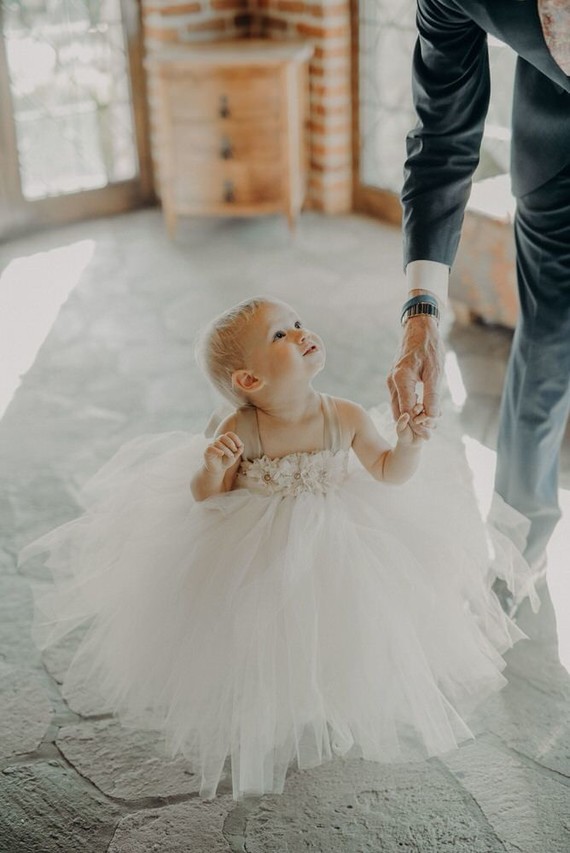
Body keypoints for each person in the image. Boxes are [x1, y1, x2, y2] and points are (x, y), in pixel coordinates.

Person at [19, 297, 538, 801]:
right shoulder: (239, 428)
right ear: (249, 381)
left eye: (297, 322)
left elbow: (388, 473)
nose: (301, 333)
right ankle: (277, 698)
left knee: (340, 622)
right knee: (266, 629)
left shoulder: (346, 415)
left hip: (342, 538)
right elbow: (208, 498)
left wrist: (410, 443)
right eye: (280, 334)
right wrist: (213, 468)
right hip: (259, 544)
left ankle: (331, 693)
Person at [389, 0, 570, 612]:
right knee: (545, 354)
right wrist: (422, 312)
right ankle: (520, 550)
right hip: (560, 158)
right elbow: (441, 139)